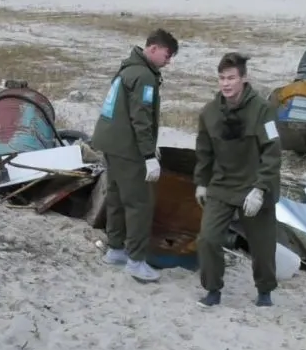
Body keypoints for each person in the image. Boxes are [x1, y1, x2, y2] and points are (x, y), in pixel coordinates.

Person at [193, 51, 283, 308]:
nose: (226, 83)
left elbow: (273, 153)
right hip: (222, 184)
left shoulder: (264, 111)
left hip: (255, 185)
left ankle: (264, 291)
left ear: (244, 78)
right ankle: (212, 290)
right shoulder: (209, 113)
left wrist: (260, 188)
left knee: (263, 246)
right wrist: (201, 181)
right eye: (221, 78)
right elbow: (204, 151)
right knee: (207, 239)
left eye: (231, 77)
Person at [89, 28, 179, 283]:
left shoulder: (127, 69)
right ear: (153, 49)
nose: (168, 61)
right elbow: (140, 118)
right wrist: (149, 155)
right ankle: (136, 261)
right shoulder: (144, 77)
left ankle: (116, 249)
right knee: (139, 203)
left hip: (110, 144)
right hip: (128, 149)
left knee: (116, 197)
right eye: (167, 55)